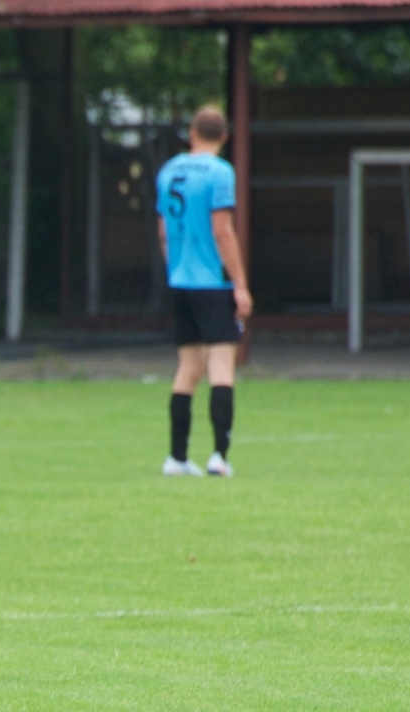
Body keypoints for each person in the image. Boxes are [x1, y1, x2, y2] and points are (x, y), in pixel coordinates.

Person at [155, 105, 252, 477]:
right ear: (224, 137)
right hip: (212, 281)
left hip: (179, 280)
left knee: (188, 368)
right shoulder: (220, 172)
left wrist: (173, 269)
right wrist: (240, 285)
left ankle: (176, 458)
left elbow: (163, 232)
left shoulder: (169, 171)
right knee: (221, 366)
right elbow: (223, 231)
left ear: (192, 133)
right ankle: (219, 457)